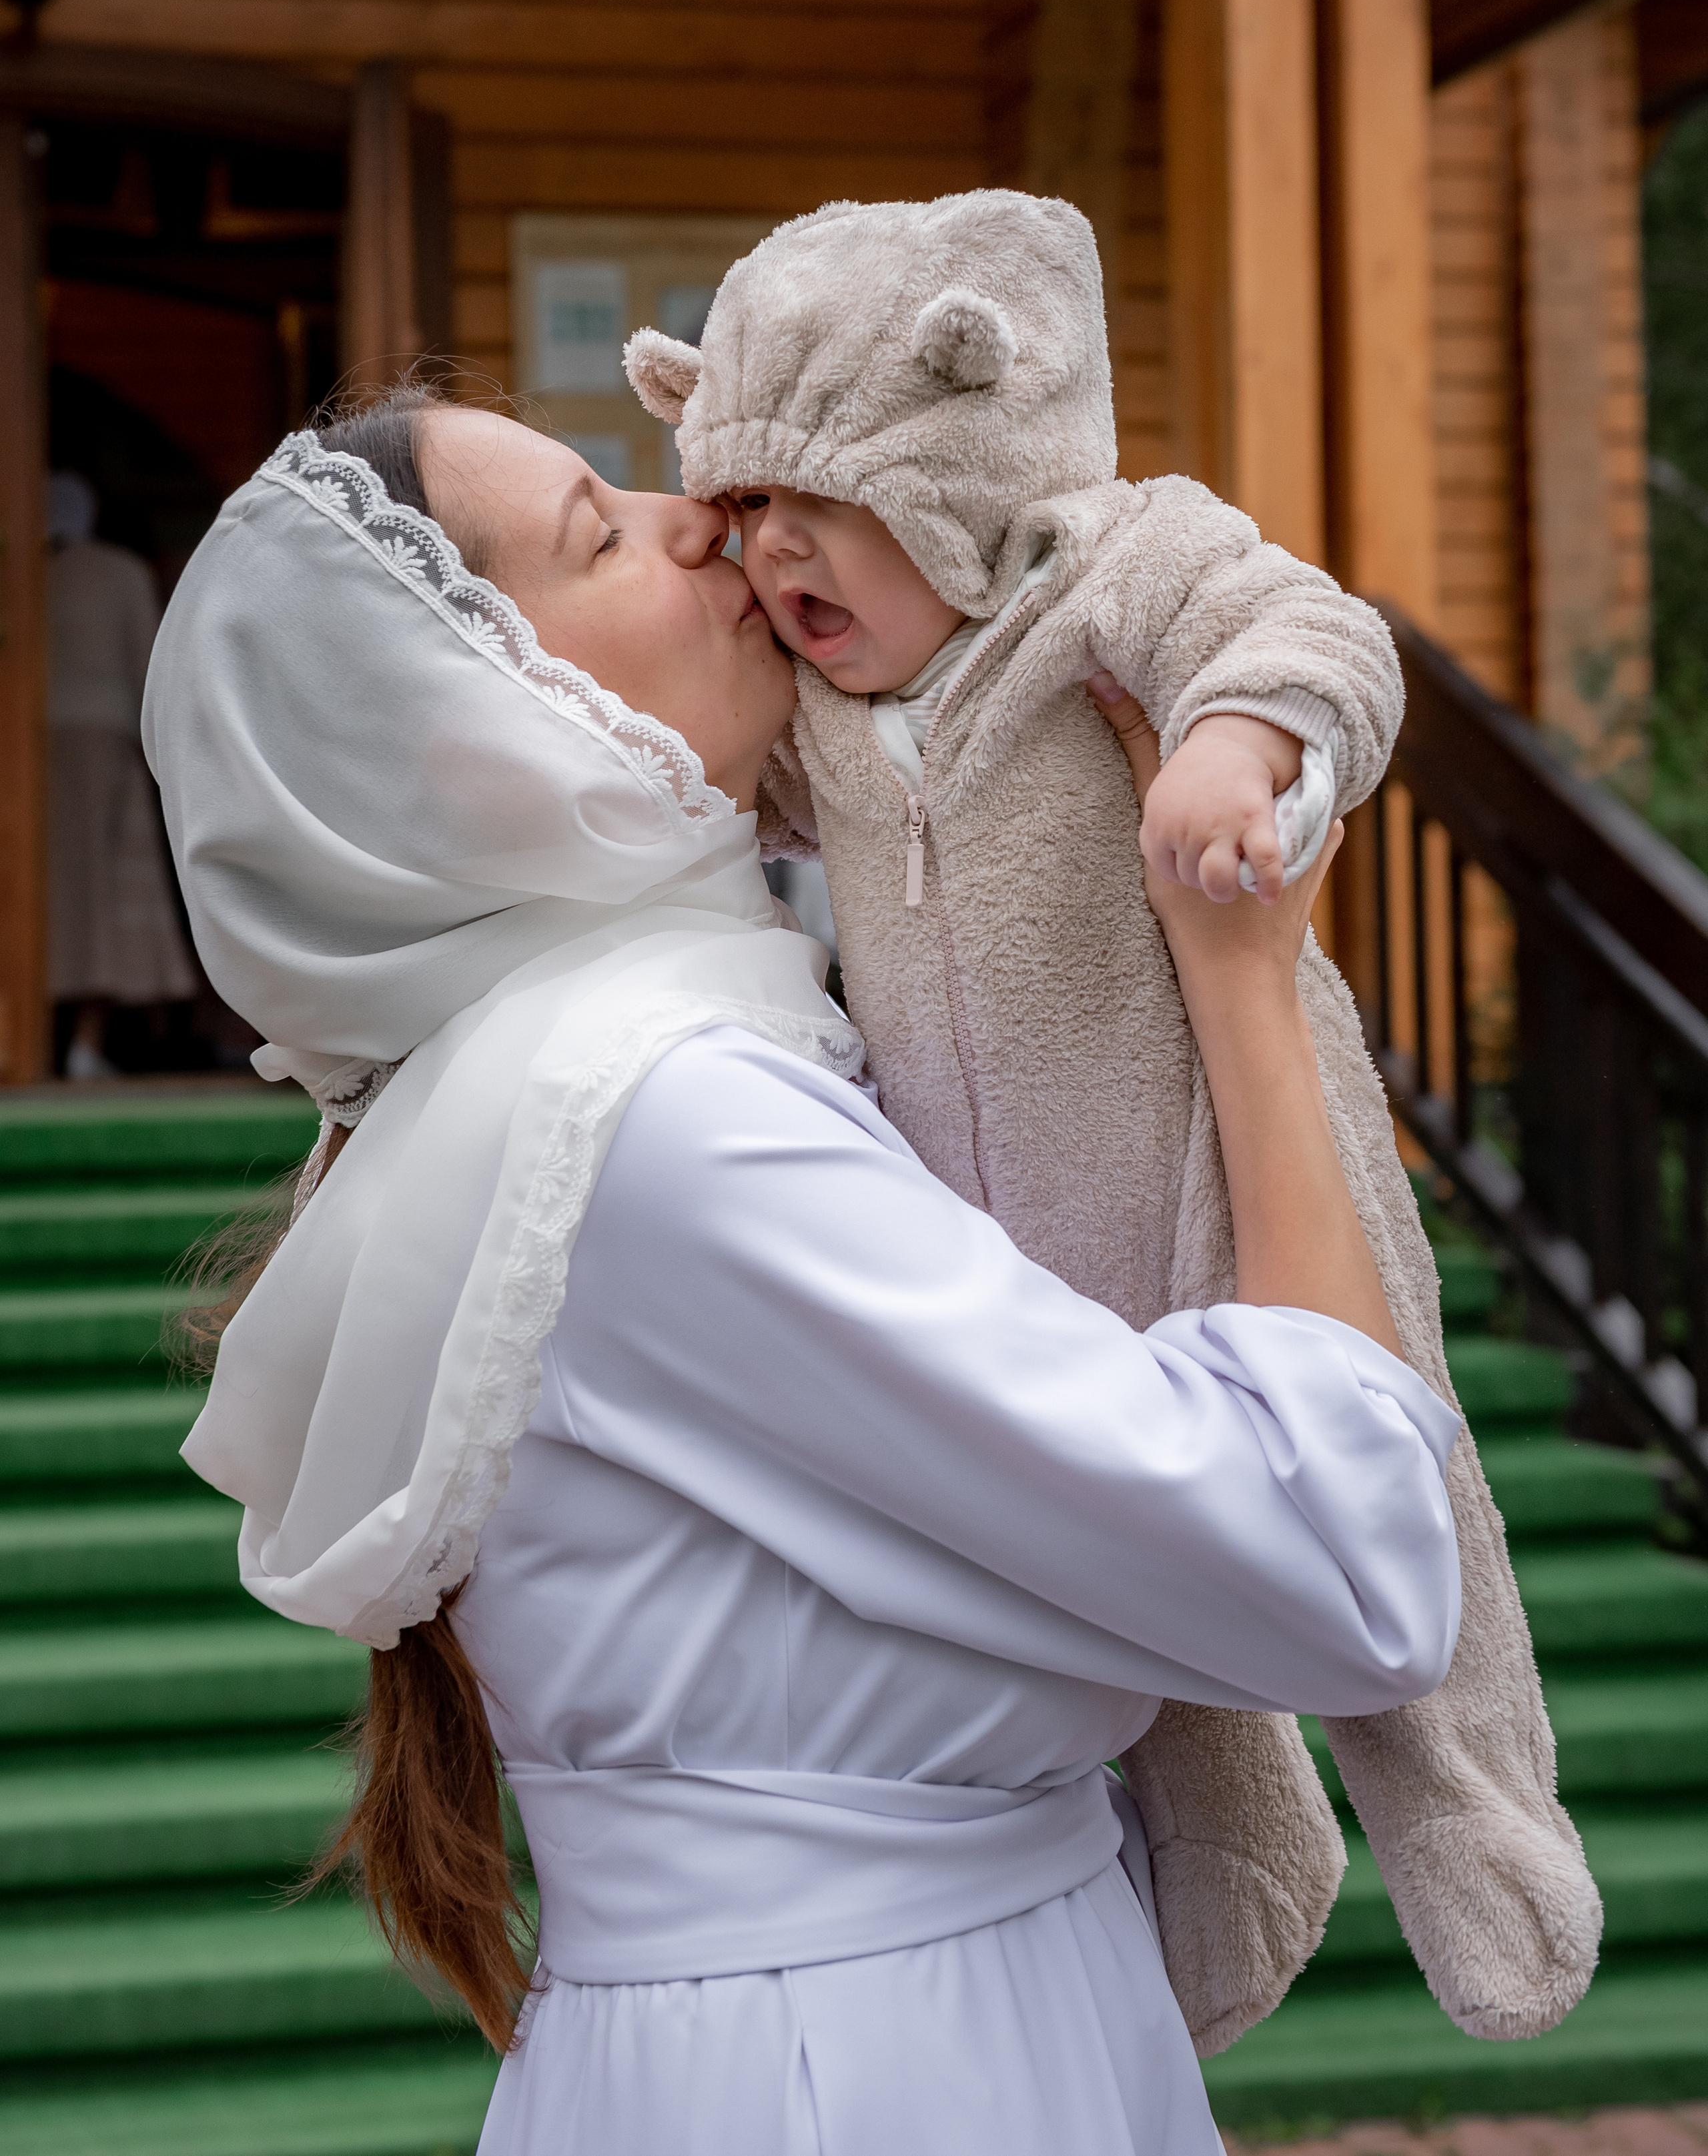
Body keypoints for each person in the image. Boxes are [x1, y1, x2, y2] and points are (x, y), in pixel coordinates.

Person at [146, 391, 1461, 2156]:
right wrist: (1240, 974)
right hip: (873, 2066)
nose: (693, 515)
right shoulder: (661, 1120)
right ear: (472, 735)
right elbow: (1338, 1567)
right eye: (598, 532)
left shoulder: (553, 1088)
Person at [622, 192, 1601, 2051]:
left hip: (1221, 1150)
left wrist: (1238, 744)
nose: (771, 550)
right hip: (995, 1234)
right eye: (740, 504)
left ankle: (1473, 1814)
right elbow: (711, 794)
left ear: (973, 456)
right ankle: (1239, 1847)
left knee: (1383, 1463)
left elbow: (1307, 631)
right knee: (1118, 1551)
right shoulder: (826, 700)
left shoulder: (1114, 560)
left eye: (819, 497)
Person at [47, 468, 195, 1077]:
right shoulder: (123, 573)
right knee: (103, 893)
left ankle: (34, 1042)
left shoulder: (22, 573)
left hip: (27, 755)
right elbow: (151, 675)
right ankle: (85, 1042)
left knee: (47, 889)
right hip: (106, 746)